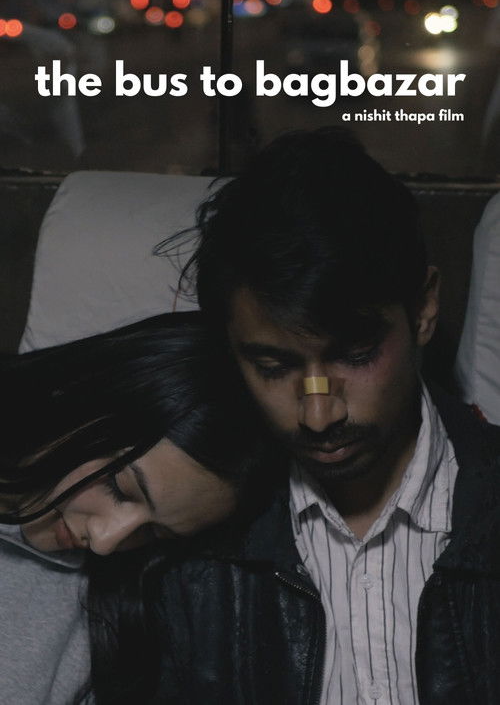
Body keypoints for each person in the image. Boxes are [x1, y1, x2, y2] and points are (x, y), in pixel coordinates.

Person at [152, 128, 500, 704]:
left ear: (423, 309)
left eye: (356, 355)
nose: (318, 415)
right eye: (272, 366)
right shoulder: (192, 552)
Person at [0, 312, 269, 705]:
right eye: (118, 488)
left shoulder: (103, 625)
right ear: (82, 399)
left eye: (153, 532)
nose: (105, 542)